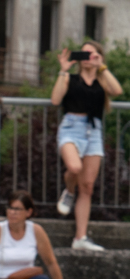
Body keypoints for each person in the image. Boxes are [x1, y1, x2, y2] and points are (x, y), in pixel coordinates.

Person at [51, 41, 121, 252]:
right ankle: (69, 191)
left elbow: (117, 90)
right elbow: (55, 100)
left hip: (94, 131)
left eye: (92, 53)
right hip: (71, 128)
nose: (88, 57)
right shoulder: (70, 79)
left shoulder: (101, 81)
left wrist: (101, 66)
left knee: (88, 186)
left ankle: (80, 237)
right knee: (74, 168)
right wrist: (63, 70)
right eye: (85, 54)